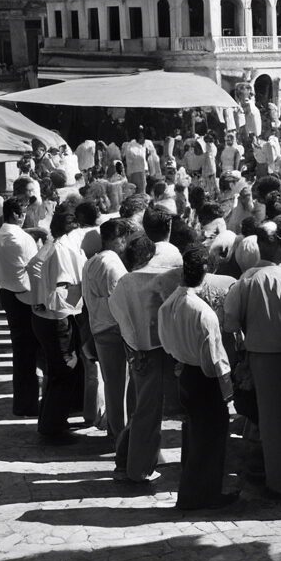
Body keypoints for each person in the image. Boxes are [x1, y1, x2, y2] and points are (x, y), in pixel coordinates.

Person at [223, 220, 281, 498]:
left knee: (272, 423)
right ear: (278, 245)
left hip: (262, 359)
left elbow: (230, 321)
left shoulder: (248, 280)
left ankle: (279, 483)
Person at [158, 244, 236, 510]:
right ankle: (205, 495)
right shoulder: (203, 313)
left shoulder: (168, 304)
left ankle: (192, 493)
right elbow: (216, 359)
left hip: (185, 373)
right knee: (210, 440)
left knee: (193, 437)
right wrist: (227, 391)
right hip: (204, 379)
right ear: (206, 272)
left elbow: (166, 343)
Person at [109, 231, 182, 484]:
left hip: (135, 351)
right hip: (159, 351)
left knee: (142, 409)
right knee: (149, 413)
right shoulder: (164, 277)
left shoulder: (124, 282)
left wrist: (133, 347)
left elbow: (119, 315)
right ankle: (138, 469)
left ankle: (125, 458)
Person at [30, 206, 86, 440]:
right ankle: (53, 427)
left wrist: (38, 298)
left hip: (46, 316)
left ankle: (50, 422)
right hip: (57, 316)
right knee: (64, 371)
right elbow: (66, 283)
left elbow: (32, 268)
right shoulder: (62, 248)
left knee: (56, 372)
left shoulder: (49, 246)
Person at [81, 217, 134, 442]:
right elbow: (120, 300)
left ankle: (116, 429)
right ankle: (120, 433)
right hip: (113, 329)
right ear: (119, 239)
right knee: (119, 385)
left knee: (112, 383)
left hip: (100, 328)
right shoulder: (111, 263)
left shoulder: (92, 262)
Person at [0, 196, 40, 417]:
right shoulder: (22, 238)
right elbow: (36, 265)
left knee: (21, 350)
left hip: (7, 294)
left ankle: (23, 401)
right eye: (24, 213)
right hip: (24, 296)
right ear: (17, 215)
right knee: (28, 351)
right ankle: (28, 402)